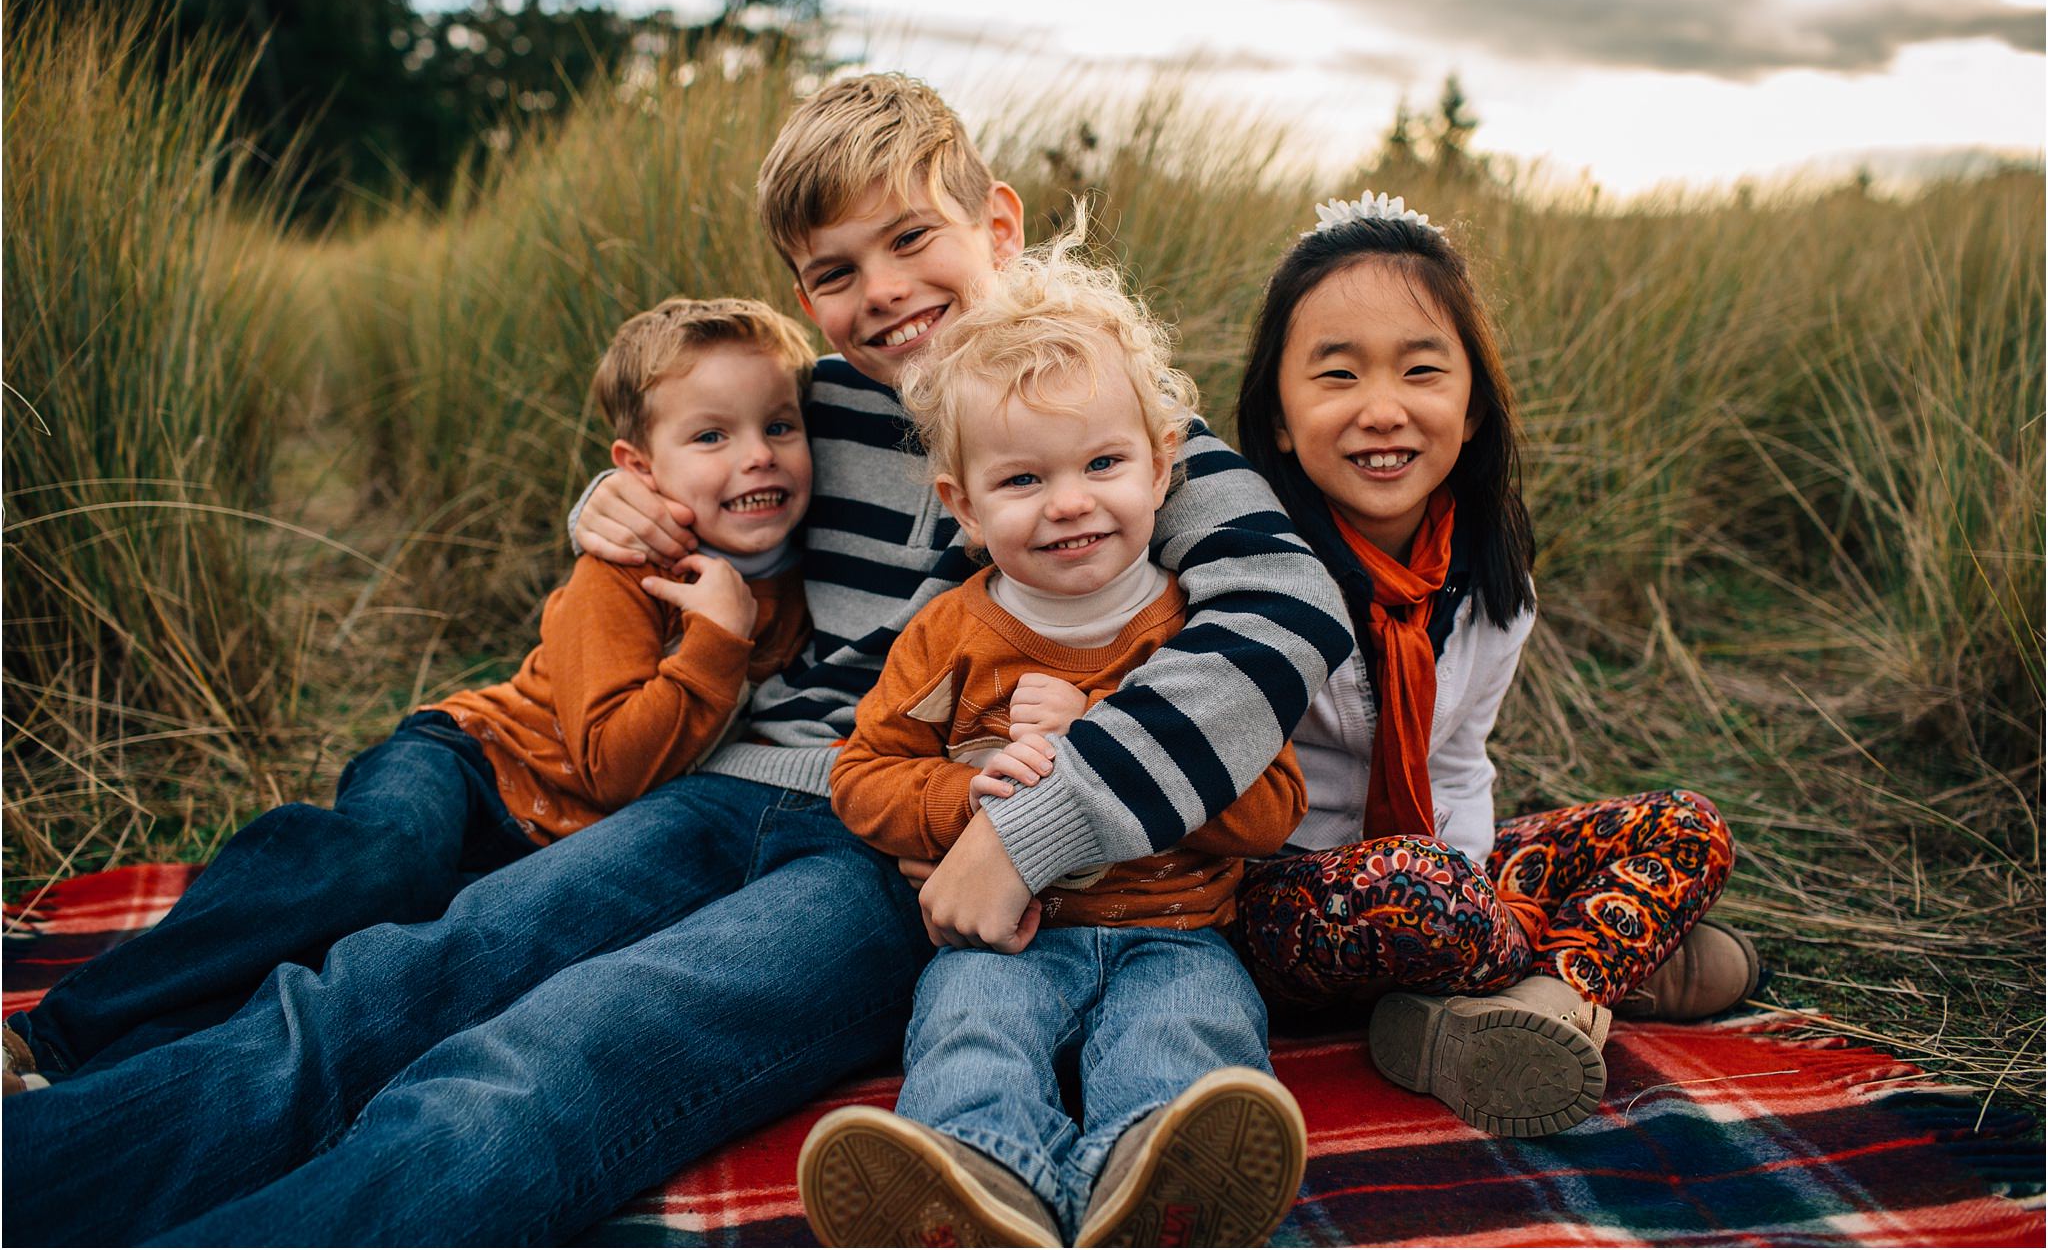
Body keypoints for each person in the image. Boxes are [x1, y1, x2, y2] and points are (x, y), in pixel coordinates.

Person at [1, 75, 1351, 1246]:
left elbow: (1285, 616)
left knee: (558, 1054)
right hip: (719, 788)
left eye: (911, 238)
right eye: (835, 270)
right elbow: (678, 466)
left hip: (897, 859)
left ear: (997, 222)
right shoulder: (812, 408)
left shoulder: (1110, 425)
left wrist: (1041, 822)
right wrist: (608, 515)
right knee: (405, 976)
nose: (881, 291)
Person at [1, 296, 813, 1096]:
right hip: (473, 763)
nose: (759, 456)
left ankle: (85, 1090)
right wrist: (716, 643)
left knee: (374, 963)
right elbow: (612, 767)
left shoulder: (816, 575)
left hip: (543, 848)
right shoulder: (625, 572)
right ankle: (55, 1033)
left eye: (780, 425)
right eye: (712, 434)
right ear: (637, 467)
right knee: (375, 860)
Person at [804, 238, 1309, 1248]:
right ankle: (978, 1178)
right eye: (1023, 478)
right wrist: (963, 796)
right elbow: (860, 775)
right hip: (1010, 930)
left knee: (1188, 1034)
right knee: (968, 1024)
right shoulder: (950, 633)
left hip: (1177, 928)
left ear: (1162, 464)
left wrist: (1107, 741)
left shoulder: (1190, 631)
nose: (1069, 501)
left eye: (1103, 463)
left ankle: (1153, 1177)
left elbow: (1272, 809)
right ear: (964, 504)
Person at [1229, 193, 1754, 1139]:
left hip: (1447, 876)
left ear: (1470, 409)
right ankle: (1603, 967)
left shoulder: (1489, 577)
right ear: (1276, 413)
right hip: (1283, 905)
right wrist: (1455, 889)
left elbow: (1460, 764)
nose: (1382, 409)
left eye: (1422, 370)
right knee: (1420, 883)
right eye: (1337, 375)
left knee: (1689, 825)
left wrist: (1476, 881)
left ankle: (1530, 1001)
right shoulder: (1245, 568)